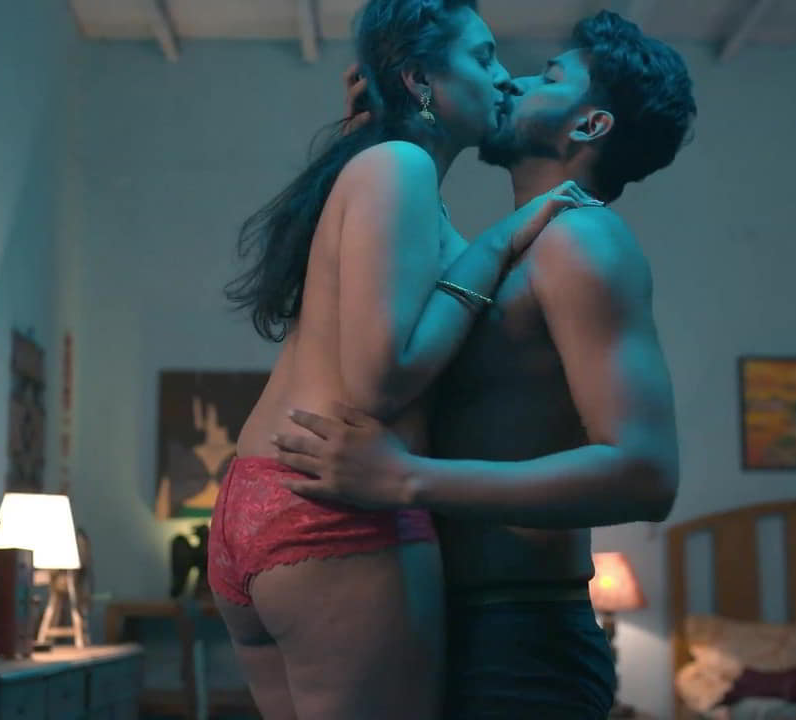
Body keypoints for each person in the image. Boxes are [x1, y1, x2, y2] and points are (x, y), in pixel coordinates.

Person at [271, 10, 696, 719]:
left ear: (589, 125)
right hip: (441, 616)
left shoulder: (584, 240)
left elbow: (646, 473)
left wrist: (406, 478)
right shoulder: (501, 252)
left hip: (523, 636)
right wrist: (376, 132)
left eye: (548, 77)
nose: (512, 81)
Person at [208, 1, 598, 718]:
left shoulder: (379, 167)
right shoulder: (402, 166)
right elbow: (378, 380)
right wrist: (502, 240)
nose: (502, 77)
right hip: (337, 516)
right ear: (420, 80)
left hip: (256, 504)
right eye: (482, 57)